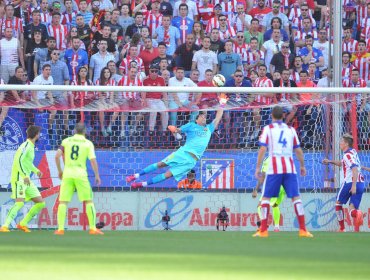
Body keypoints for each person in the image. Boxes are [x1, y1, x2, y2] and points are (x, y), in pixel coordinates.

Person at [253, 106, 313, 238]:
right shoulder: (291, 130)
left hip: (274, 169)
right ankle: (303, 230)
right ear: (284, 116)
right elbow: (298, 150)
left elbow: (262, 149)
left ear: (272, 116)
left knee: (265, 198)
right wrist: (302, 165)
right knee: (296, 198)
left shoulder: (268, 129)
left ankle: (263, 230)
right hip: (289, 168)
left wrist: (258, 167)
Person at [126, 109, 224, 188]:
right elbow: (177, 132)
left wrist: (222, 103)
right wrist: (174, 130)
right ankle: (135, 176)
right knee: (161, 164)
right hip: (183, 153)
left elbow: (218, 116)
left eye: (205, 116)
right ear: (197, 119)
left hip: (191, 161)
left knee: (167, 175)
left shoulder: (209, 128)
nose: (204, 117)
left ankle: (142, 184)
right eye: (202, 116)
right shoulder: (191, 125)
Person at [54, 123, 103, 235]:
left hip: (67, 174)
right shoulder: (88, 143)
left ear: (74, 131)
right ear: (85, 132)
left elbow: (57, 156)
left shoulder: (66, 141)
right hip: (81, 174)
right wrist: (96, 175)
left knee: (63, 202)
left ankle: (60, 229)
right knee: (88, 201)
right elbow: (93, 160)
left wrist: (60, 171)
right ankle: (92, 228)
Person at [0, 126, 46, 233]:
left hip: (27, 179)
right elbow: (18, 161)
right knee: (19, 203)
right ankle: (4, 226)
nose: (39, 135)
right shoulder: (25, 146)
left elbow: (27, 163)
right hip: (19, 178)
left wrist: (36, 171)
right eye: (39, 133)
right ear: (36, 135)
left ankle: (22, 224)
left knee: (40, 203)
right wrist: (24, 175)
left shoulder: (31, 146)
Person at [323, 134, 365, 232]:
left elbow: (354, 169)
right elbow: (342, 163)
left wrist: (353, 186)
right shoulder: (353, 152)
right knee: (351, 208)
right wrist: (330, 161)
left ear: (346, 143)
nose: (340, 143)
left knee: (338, 204)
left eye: (341, 141)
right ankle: (357, 213)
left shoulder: (347, 155)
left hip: (350, 182)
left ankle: (342, 228)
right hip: (361, 183)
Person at [252, 156, 286, 232]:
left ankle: (263, 225)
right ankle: (276, 227)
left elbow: (263, 176)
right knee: (275, 205)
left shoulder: (268, 159)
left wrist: (256, 190)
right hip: (284, 186)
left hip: (274, 185)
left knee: (260, 206)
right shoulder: (285, 157)